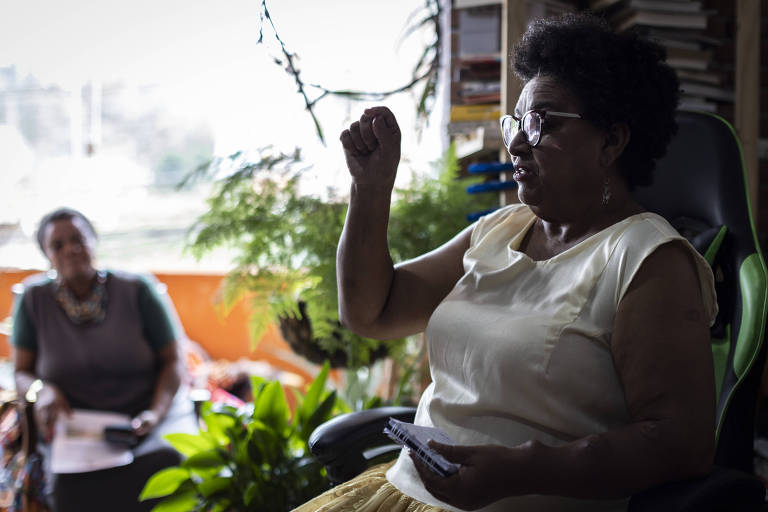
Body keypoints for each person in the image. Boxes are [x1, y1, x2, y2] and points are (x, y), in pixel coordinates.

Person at [295, 13, 717, 512]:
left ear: (612, 141)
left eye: (542, 123)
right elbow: (371, 312)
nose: (517, 142)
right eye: (516, 121)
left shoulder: (648, 259)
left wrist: (522, 470)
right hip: (406, 490)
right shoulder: (499, 228)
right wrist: (370, 188)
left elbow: (679, 442)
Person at [10, 207, 198, 512]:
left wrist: (156, 412)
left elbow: (174, 360)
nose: (70, 249)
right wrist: (42, 390)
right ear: (46, 254)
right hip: (80, 428)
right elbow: (21, 372)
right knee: (67, 487)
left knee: (168, 464)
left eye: (78, 239)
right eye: (57, 245)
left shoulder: (138, 289)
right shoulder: (33, 300)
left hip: (147, 419)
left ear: (93, 241)